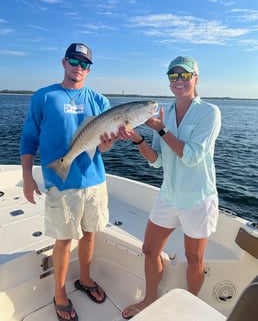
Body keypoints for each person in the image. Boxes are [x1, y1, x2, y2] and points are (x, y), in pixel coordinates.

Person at [20, 43, 117, 321]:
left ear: (90, 69)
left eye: (85, 64)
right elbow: (29, 139)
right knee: (63, 240)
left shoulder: (99, 100)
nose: (79, 68)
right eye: (74, 61)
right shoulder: (43, 97)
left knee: (89, 234)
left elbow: (102, 148)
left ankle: (85, 280)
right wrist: (27, 176)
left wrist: (108, 143)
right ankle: (60, 294)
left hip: (94, 182)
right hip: (61, 185)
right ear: (64, 62)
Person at [121, 56, 221, 319]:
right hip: (169, 195)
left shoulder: (209, 112)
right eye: (173, 76)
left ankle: (189, 311)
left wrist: (163, 130)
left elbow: (191, 157)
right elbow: (156, 161)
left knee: (194, 259)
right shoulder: (162, 114)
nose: (178, 81)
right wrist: (139, 138)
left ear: (195, 79)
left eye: (184, 75)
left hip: (198, 199)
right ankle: (149, 301)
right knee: (150, 250)